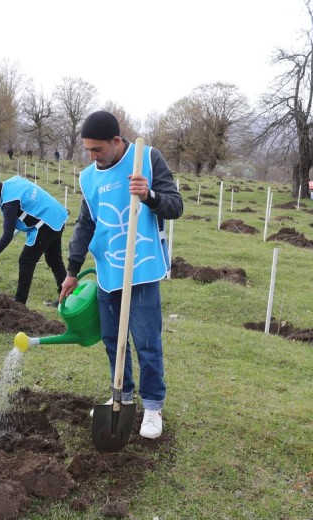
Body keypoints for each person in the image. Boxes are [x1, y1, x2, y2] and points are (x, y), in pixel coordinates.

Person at [59, 110, 183, 440]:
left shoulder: (148, 159)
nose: (92, 156)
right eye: (87, 149)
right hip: (108, 270)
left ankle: (153, 407)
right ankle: (122, 396)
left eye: (97, 149)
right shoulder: (89, 178)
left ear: (116, 141)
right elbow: (86, 223)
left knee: (146, 342)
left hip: (142, 269)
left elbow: (175, 206)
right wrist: (72, 270)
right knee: (113, 340)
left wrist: (149, 195)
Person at [0, 173, 68, 305]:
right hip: (57, 214)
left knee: (26, 260)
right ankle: (65, 299)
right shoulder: (13, 181)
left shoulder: (9, 203)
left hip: (47, 223)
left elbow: (7, 235)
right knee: (54, 259)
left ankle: (19, 303)